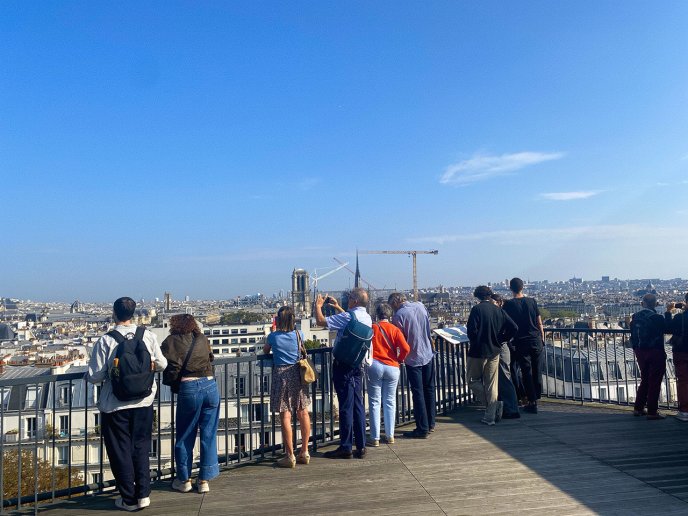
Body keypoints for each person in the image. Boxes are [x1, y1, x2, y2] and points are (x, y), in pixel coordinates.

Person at [87, 297, 167, 512]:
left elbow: (95, 376)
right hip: (144, 400)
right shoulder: (147, 335)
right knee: (141, 447)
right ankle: (143, 494)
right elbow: (162, 364)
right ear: (134, 313)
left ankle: (129, 498)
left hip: (116, 404)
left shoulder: (106, 340)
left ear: (114, 313)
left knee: (120, 450)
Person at [161, 314, 220, 493]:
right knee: (209, 434)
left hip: (189, 387)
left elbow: (164, 363)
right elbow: (211, 358)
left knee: (186, 434)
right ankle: (204, 480)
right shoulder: (201, 338)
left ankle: (184, 479)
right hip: (210, 385)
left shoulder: (170, 341)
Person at [315, 288, 372, 459]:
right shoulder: (367, 317)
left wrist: (318, 306)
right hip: (357, 365)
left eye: (349, 298)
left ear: (354, 300)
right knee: (358, 406)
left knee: (346, 406)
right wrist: (338, 307)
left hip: (344, 365)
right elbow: (350, 319)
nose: (347, 300)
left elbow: (320, 321)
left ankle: (346, 446)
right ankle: (360, 446)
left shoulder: (348, 317)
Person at [263, 306, 312, 467]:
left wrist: (272, 332)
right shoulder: (299, 334)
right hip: (298, 374)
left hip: (281, 375)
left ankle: (290, 455)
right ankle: (304, 451)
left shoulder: (273, 337)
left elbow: (265, 351)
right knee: (303, 412)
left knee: (285, 415)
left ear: (278, 320)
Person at [467, 286, 518, 425]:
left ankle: (493, 407)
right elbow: (514, 327)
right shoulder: (498, 310)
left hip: (478, 351)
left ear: (478, 296)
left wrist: (476, 341)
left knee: (472, 380)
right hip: (495, 350)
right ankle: (490, 415)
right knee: (492, 384)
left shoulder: (476, 310)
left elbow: (471, 331)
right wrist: (501, 338)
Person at [388, 292, 435, 439]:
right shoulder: (420, 306)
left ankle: (422, 428)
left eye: (391, 306)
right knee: (429, 389)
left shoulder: (398, 316)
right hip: (427, 353)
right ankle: (431, 422)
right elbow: (428, 328)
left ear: (395, 303)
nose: (392, 309)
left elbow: (399, 341)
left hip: (413, 357)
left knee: (418, 392)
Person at [367, 303, 411, 446]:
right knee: (390, 401)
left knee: (374, 402)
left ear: (377, 315)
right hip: (392, 366)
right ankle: (390, 435)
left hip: (375, 365)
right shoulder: (395, 329)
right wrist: (400, 359)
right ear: (390, 315)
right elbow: (405, 348)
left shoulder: (372, 328)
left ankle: (375, 437)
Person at [503, 278, 545, 414]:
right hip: (536, 339)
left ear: (510, 288)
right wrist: (542, 337)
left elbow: (506, 324)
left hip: (521, 341)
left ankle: (532, 401)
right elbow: (539, 322)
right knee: (537, 370)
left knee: (526, 371)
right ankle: (537, 396)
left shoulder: (508, 304)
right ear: (523, 287)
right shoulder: (532, 301)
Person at [630, 293, 667, 420]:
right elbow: (666, 328)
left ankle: (638, 408)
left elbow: (633, 335)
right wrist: (668, 312)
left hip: (640, 351)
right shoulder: (658, 317)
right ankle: (652, 411)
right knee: (655, 381)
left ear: (642, 303)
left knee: (645, 379)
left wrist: (636, 348)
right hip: (655, 351)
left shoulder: (635, 317)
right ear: (656, 304)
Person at [490, 293, 520, 419]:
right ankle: (509, 407)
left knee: (504, 378)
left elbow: (514, 327)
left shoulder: (499, 313)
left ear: (499, 303)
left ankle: (511, 409)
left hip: (501, 347)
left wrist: (502, 339)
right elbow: (513, 327)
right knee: (505, 377)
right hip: (503, 347)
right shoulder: (501, 313)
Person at [665, 295, 688, 422]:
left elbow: (667, 328)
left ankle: (685, 411)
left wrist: (668, 312)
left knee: (683, 382)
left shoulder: (680, 317)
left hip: (682, 352)